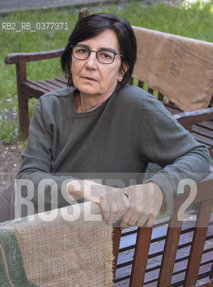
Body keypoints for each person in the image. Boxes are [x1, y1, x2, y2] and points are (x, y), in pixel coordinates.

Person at [0, 13, 211, 226]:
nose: (90, 64)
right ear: (71, 57)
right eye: (82, 51)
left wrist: (157, 188)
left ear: (122, 69)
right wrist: (85, 188)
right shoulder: (49, 105)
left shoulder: (137, 107)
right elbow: (28, 180)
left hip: (71, 231)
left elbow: (198, 155)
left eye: (105, 56)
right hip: (26, 213)